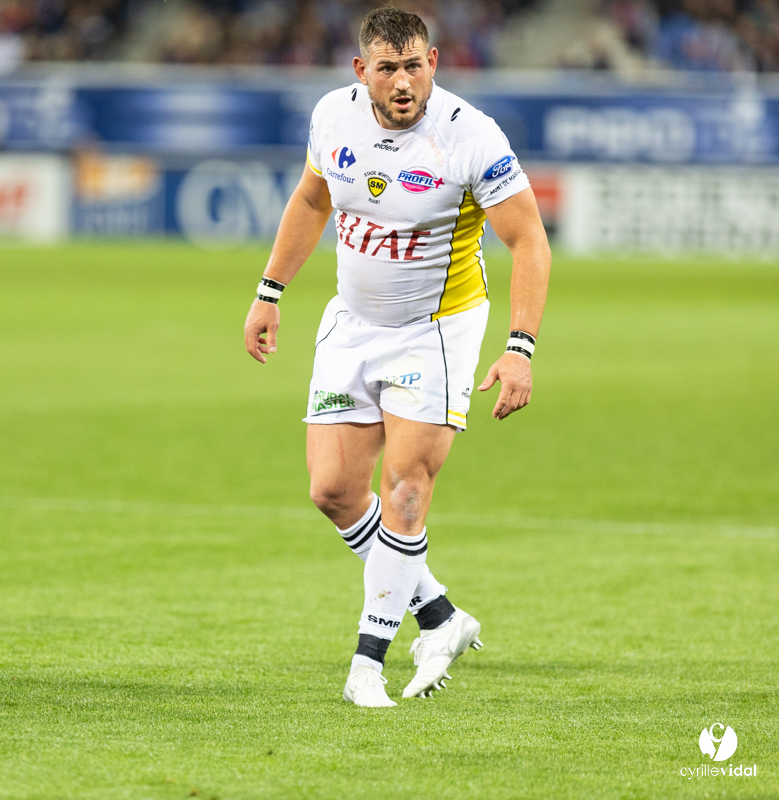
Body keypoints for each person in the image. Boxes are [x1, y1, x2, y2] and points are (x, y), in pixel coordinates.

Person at [242, 6, 550, 708]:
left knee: (407, 485)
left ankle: (367, 666)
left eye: (415, 66)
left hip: (436, 331)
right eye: (388, 68)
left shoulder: (471, 136)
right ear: (362, 72)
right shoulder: (332, 118)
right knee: (333, 492)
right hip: (352, 325)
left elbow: (528, 239)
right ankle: (440, 614)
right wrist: (269, 292)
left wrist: (520, 347)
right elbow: (312, 200)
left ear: (434, 64)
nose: (403, 82)